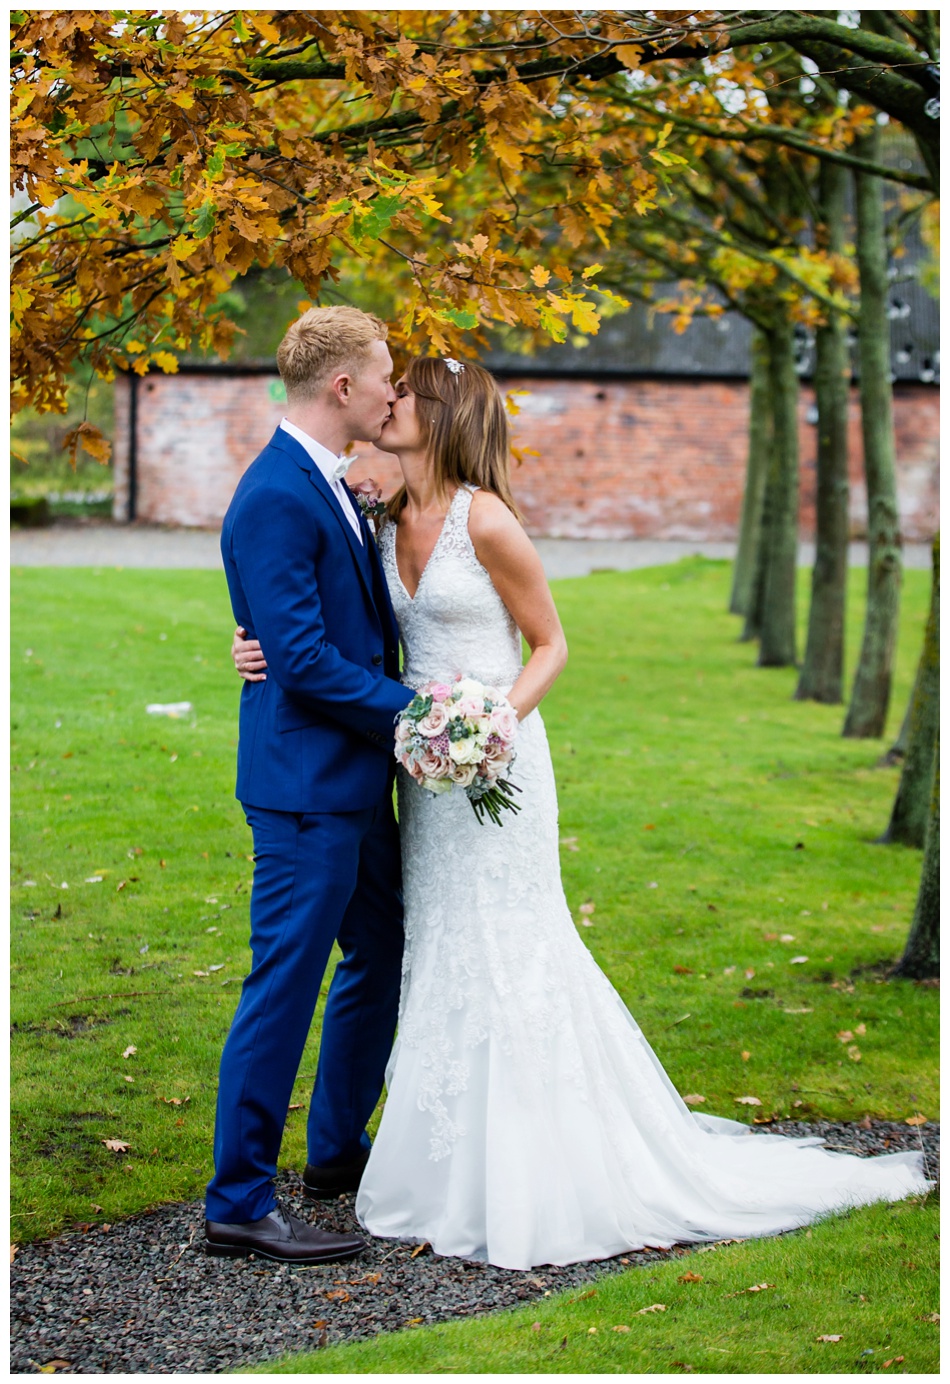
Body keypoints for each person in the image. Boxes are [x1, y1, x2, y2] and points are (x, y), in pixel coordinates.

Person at [232, 354, 932, 1271]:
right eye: (386, 388)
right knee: (438, 942)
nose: (391, 402)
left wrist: (490, 727)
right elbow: (312, 608)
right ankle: (436, 1153)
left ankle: (536, 1158)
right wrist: (260, 648)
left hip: (490, 759)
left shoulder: (489, 522)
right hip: (422, 768)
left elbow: (553, 643)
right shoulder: (382, 513)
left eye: (407, 395)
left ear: (443, 418)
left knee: (511, 941)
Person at [206, 306, 417, 1265]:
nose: (392, 391)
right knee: (282, 983)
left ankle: (335, 1154)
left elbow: (310, 631)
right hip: (303, 786)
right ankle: (240, 1200)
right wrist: (416, 713)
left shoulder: (335, 483)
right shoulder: (277, 495)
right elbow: (297, 656)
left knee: (379, 952)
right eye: (383, 377)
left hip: (354, 776)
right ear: (342, 388)